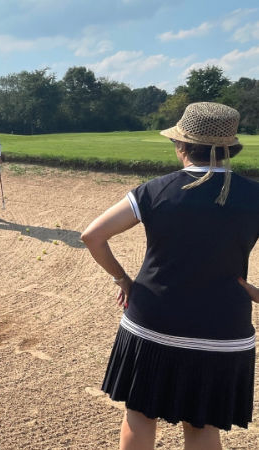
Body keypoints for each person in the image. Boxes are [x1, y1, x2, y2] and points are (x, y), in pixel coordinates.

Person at [81, 102, 259, 449]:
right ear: (228, 149)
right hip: (224, 329)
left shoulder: (154, 190)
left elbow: (93, 236)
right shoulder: (256, 196)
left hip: (152, 323)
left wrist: (123, 280)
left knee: (140, 415)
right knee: (203, 425)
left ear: (182, 146)